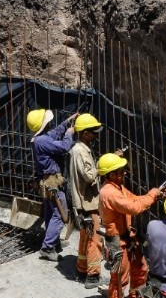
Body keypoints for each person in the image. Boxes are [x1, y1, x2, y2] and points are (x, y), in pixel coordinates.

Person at [98, 152, 166, 298]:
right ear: (111, 175)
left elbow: (135, 200)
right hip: (118, 242)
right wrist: (152, 195)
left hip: (128, 238)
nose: (125, 173)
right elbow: (134, 208)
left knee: (140, 269)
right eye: (121, 172)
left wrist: (154, 197)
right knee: (119, 281)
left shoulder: (117, 187)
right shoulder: (109, 192)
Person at [28, 108, 77, 261]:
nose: (50, 123)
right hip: (52, 183)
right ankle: (48, 247)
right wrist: (69, 134)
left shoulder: (39, 139)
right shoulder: (43, 141)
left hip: (47, 182)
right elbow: (63, 147)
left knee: (50, 214)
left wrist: (68, 120)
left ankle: (53, 242)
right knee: (60, 214)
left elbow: (55, 132)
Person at [68, 113, 106, 288]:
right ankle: (93, 276)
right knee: (95, 240)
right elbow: (89, 175)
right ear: (84, 133)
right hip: (88, 203)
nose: (96, 135)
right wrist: (103, 167)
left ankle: (81, 270)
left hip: (82, 203)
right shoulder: (81, 151)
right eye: (93, 132)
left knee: (85, 237)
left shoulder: (80, 149)